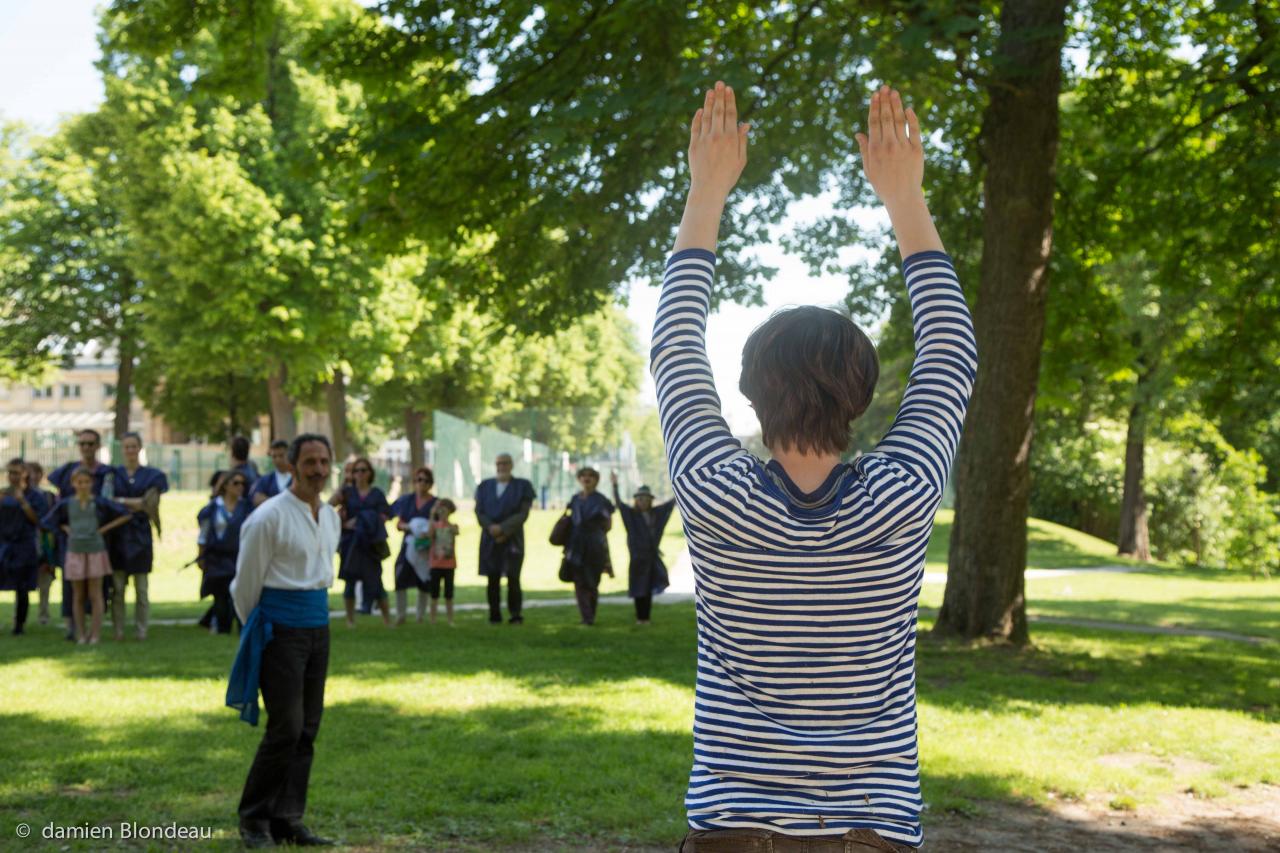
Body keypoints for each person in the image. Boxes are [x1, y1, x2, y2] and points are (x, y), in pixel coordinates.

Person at [657, 84, 976, 852]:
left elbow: (674, 347)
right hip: (873, 823)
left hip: (735, 825)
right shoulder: (903, 494)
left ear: (750, 391)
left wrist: (706, 193)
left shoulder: (712, 490)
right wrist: (905, 199)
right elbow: (951, 349)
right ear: (862, 396)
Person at [227, 434, 340, 848]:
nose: (318, 470)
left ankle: (287, 818)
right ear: (291, 466)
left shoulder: (329, 516)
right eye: (310, 462)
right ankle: (253, 820)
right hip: (280, 631)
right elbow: (245, 587)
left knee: (308, 727)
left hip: (318, 628)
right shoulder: (267, 517)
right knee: (286, 728)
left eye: (324, 461)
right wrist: (262, 631)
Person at [41, 468, 132, 644]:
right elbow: (48, 522)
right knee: (78, 595)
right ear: (73, 484)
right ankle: (81, 634)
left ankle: (95, 634)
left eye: (86, 482)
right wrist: (64, 528)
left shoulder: (99, 502)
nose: (83, 485)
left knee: (95, 594)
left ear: (91, 483)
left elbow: (125, 514)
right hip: (75, 551)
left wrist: (103, 530)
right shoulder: (66, 504)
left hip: (96, 550)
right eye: (79, 482)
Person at [48, 429, 116, 641]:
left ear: (98, 446)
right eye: (82, 443)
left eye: (90, 443)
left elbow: (113, 504)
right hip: (73, 541)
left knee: (98, 590)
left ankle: (95, 631)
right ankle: (74, 628)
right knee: (72, 589)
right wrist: (65, 528)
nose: (86, 447)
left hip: (96, 540)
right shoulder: (69, 470)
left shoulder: (107, 472)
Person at [108, 432, 169, 641]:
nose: (130, 450)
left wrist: (123, 501)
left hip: (141, 536)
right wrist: (135, 503)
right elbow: (109, 501)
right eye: (127, 447)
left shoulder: (152, 475)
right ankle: (118, 630)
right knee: (117, 589)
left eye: (134, 446)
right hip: (118, 537)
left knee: (141, 589)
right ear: (122, 449)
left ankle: (141, 630)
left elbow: (149, 504)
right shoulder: (113, 474)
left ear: (140, 448)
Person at [474, 453, 535, 625]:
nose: (502, 467)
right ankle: (494, 615)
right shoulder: (484, 486)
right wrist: (491, 528)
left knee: (513, 578)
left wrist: (504, 529)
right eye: (498, 463)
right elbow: (479, 512)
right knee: (492, 579)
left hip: (513, 539)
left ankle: (515, 614)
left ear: (511, 465)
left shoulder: (523, 486)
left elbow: (523, 513)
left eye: (505, 463)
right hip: (490, 539)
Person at [330, 457, 392, 627]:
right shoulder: (347, 493)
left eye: (363, 470)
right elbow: (329, 506)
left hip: (370, 543)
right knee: (349, 582)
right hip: (351, 543)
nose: (359, 474)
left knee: (376, 581)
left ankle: (387, 619)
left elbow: (386, 514)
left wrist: (366, 521)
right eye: (356, 470)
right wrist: (344, 482)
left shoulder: (377, 493)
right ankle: (350, 620)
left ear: (370, 473)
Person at [611, 472, 676, 625]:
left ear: (650, 500)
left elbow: (672, 502)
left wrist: (679, 484)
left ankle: (646, 618)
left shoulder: (657, 514)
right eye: (640, 499)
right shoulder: (631, 515)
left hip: (652, 558)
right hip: (637, 558)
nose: (643, 501)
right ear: (636, 500)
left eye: (646, 499)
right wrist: (615, 485)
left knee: (648, 588)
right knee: (637, 588)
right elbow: (619, 503)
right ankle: (639, 617)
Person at [197, 471, 254, 635]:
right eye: (236, 483)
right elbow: (203, 534)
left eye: (242, 484)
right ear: (226, 485)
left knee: (239, 594)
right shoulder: (213, 508)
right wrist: (201, 557)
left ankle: (241, 627)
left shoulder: (247, 507)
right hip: (217, 559)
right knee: (220, 596)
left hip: (238, 558)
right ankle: (222, 628)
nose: (240, 487)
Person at [1, 458, 50, 635]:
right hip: (3, 545)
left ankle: (19, 626)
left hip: (24, 546)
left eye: (17, 473)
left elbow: (40, 521)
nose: (13, 477)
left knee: (22, 587)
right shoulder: (3, 494)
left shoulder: (35, 496)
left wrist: (23, 502)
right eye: (10, 473)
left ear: (25, 474)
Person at [562, 468, 614, 626]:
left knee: (592, 581)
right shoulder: (575, 499)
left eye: (591, 476)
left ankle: (590, 614)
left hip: (595, 545)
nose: (587, 478)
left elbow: (608, 524)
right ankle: (586, 617)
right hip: (576, 544)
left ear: (596, 480)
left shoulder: (602, 500)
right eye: (583, 475)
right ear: (579, 479)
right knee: (579, 581)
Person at [390, 466, 436, 625]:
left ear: (430, 483)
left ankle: (420, 616)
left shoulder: (435, 504)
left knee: (424, 579)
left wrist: (428, 530)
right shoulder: (406, 500)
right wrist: (409, 527)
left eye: (424, 480)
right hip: (408, 545)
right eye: (418, 480)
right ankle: (400, 615)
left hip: (425, 548)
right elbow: (397, 522)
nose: (420, 484)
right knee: (400, 576)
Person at [25, 461, 58, 625]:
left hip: (45, 543)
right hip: (26, 542)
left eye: (36, 472)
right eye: (29, 473)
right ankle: (21, 615)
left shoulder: (49, 496)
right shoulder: (18, 495)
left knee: (45, 581)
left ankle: (43, 615)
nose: (33, 476)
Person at [427, 498, 459, 626]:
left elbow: (456, 531)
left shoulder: (452, 526)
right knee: (434, 594)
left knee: (449, 594)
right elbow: (429, 535)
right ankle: (433, 620)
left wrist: (446, 520)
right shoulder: (434, 526)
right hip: (436, 564)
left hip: (449, 564)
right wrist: (432, 515)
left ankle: (450, 619)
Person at [250, 440, 293, 507]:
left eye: (281, 456)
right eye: (274, 456)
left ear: (290, 455)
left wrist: (268, 500)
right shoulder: (266, 479)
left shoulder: (297, 478)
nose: (278, 460)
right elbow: (257, 499)